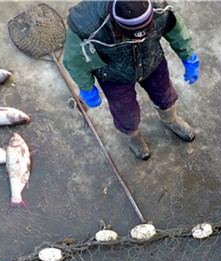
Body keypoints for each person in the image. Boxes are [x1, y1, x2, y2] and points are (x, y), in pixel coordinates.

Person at [63, 0, 200, 161]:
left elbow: (176, 30)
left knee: (165, 95)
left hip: (152, 60)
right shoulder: (86, 25)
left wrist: (188, 56)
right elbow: (75, 61)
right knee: (126, 113)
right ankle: (132, 135)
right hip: (113, 75)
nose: (138, 40)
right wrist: (86, 87)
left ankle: (170, 119)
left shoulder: (159, 8)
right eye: (133, 36)